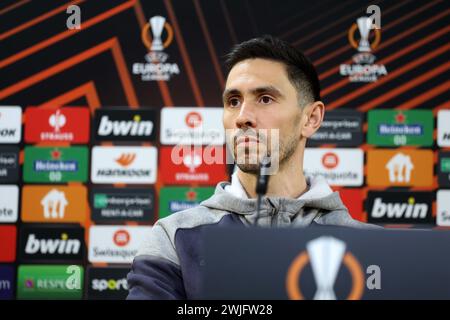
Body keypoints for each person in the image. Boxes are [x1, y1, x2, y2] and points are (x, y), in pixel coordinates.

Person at [127, 35, 380, 300]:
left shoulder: (374, 247)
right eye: (233, 101)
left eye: (265, 99)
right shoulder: (175, 238)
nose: (242, 117)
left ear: (311, 118)